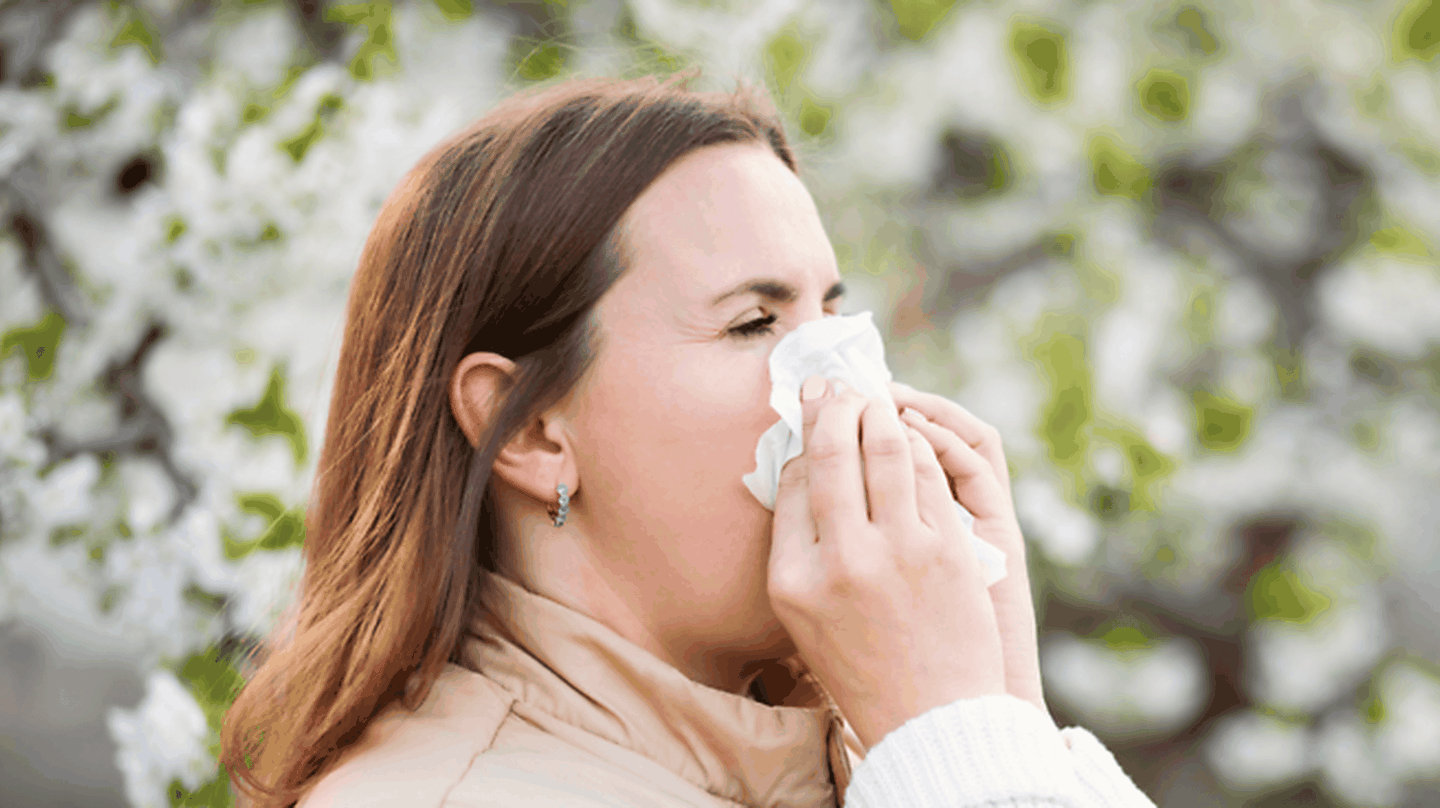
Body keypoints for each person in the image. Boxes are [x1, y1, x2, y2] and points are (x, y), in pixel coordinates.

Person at [220, 72, 1157, 808]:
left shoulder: (854, 752)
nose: (846, 384)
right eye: (754, 324)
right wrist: (950, 739)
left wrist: (1000, 713)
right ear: (534, 432)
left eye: (832, 312)